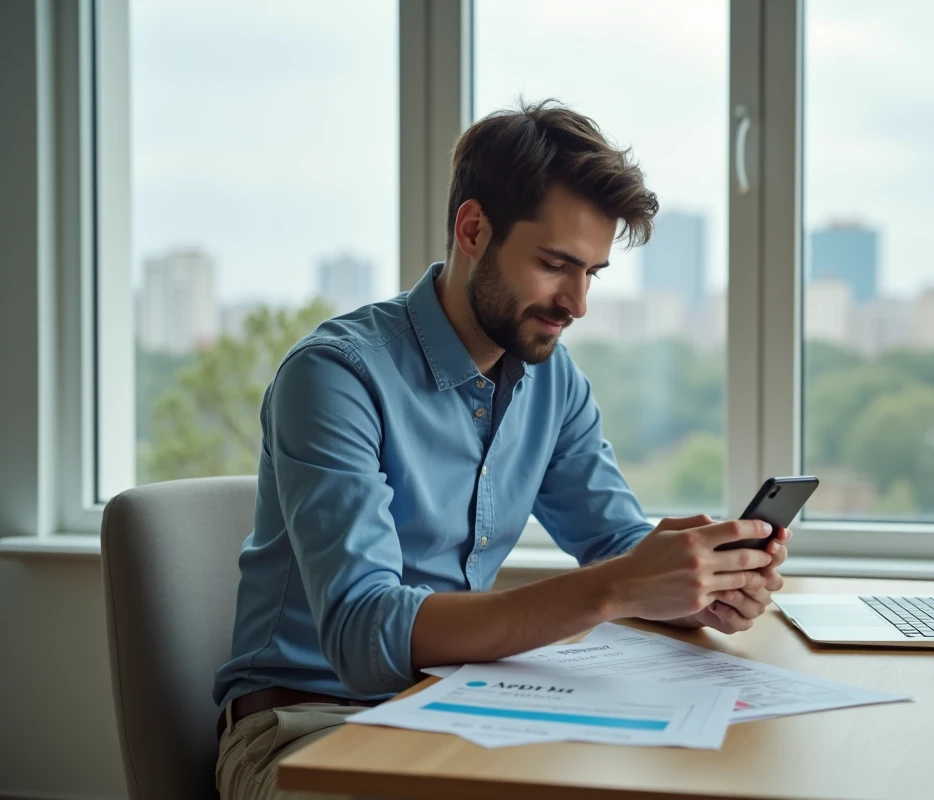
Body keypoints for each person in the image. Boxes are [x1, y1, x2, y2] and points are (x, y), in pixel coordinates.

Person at [213, 100, 791, 799]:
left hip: (457, 710)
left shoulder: (553, 381)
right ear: (473, 230)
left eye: (592, 272)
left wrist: (692, 589)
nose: (577, 302)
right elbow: (366, 637)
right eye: (555, 264)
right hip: (306, 728)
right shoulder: (336, 376)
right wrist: (622, 585)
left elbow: (613, 544)